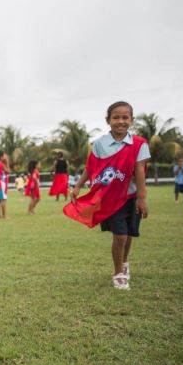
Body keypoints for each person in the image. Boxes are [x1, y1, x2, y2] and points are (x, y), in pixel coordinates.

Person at [64, 101, 150, 290]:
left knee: (129, 235)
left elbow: (140, 171)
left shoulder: (139, 144)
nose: (121, 121)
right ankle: (118, 273)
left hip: (132, 197)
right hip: (110, 198)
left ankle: (125, 263)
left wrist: (142, 198)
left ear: (131, 120)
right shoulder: (100, 145)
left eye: (125, 117)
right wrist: (77, 187)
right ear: (108, 120)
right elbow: (90, 168)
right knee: (120, 236)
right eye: (116, 117)